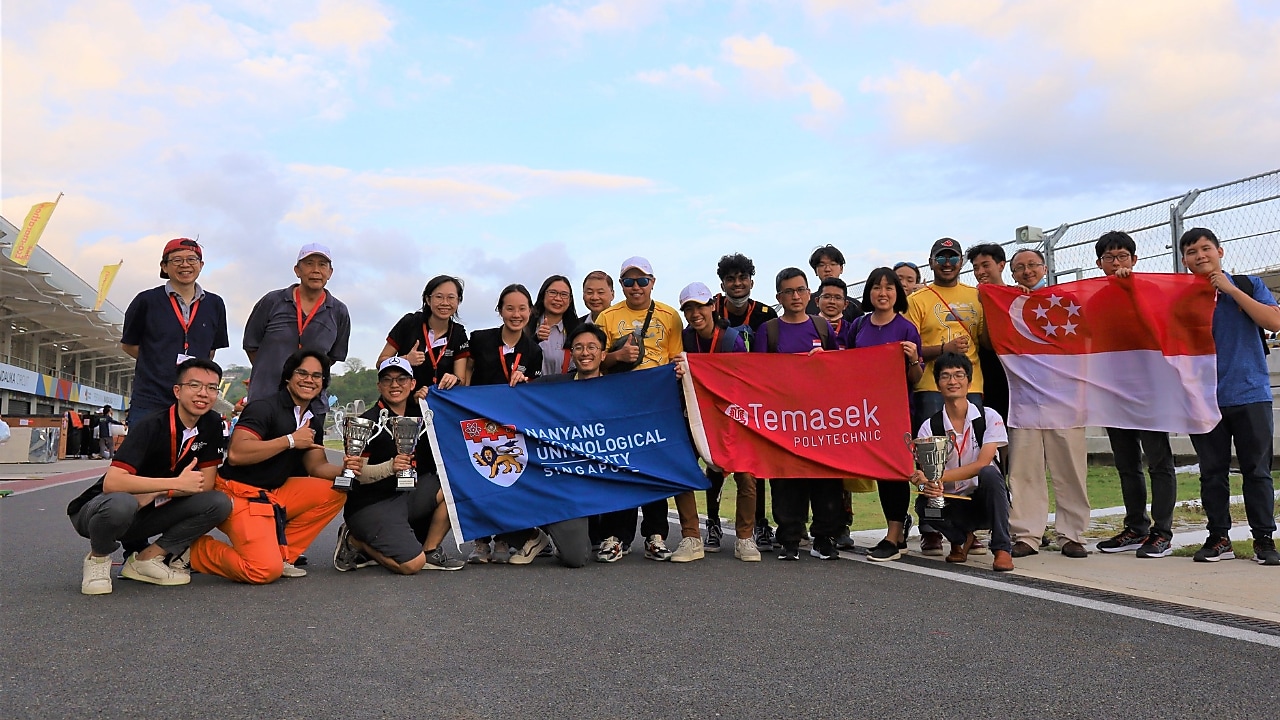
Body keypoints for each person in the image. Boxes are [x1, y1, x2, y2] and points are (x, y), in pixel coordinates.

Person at [68, 358, 232, 595]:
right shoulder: (151, 424)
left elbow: (204, 484)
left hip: (148, 510)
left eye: (211, 388)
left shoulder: (213, 424)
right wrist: (173, 484)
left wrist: (158, 491)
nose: (203, 393)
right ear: (177, 390)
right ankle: (98, 559)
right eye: (194, 385)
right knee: (122, 502)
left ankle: (146, 560)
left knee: (218, 503)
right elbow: (113, 482)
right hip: (98, 511)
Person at [188, 349, 347, 583]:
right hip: (239, 493)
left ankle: (283, 556)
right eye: (302, 373)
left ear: (323, 383)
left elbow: (317, 467)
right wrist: (290, 440)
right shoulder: (263, 407)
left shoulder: (312, 419)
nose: (309, 380)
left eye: (316, 376)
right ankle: (192, 550)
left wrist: (346, 469)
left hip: (272, 493)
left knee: (336, 490)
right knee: (262, 570)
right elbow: (237, 454)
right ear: (287, 377)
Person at [1181, 228, 1280, 565]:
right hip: (1203, 398)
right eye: (1191, 251)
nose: (1199, 256)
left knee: (1257, 470)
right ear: (1184, 260)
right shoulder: (1180, 296)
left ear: (1220, 251)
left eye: (1205, 248)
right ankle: (1218, 537)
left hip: (1250, 393)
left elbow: (1274, 321)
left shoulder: (1249, 284)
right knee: (1212, 472)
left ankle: (1264, 540)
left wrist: (1231, 290)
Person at [1089, 231, 1178, 559]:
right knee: (1126, 462)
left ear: (1134, 260)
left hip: (1150, 388)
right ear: (1100, 264)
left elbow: (1162, 325)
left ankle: (1162, 531)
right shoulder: (1095, 297)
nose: (1117, 262)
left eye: (1123, 256)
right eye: (1110, 258)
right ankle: (1136, 526)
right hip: (1114, 389)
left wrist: (1132, 287)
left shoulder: (1150, 289)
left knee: (1159, 460)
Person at [332, 357, 463, 574]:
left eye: (402, 379)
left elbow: (456, 414)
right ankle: (355, 541)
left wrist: (452, 386)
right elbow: (357, 473)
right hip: (371, 504)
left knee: (456, 485)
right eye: (388, 380)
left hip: (407, 495)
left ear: (412, 384)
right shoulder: (367, 422)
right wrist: (390, 467)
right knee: (411, 565)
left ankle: (430, 550)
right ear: (379, 386)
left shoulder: (421, 413)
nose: (395, 385)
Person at [595, 256, 685, 561]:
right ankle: (616, 535)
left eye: (642, 281)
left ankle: (656, 534)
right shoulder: (606, 317)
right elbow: (596, 361)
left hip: (658, 404)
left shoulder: (670, 315)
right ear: (621, 285)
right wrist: (618, 356)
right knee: (620, 466)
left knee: (655, 467)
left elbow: (675, 358)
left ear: (653, 282)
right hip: (619, 404)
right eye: (629, 282)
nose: (636, 287)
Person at [1004, 248, 1091, 559]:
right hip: (1025, 400)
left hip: (1066, 399)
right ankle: (1027, 534)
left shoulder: (1066, 299)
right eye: (1020, 268)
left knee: (1070, 470)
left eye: (1032, 265)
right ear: (1012, 273)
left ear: (1044, 268)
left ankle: (1072, 534)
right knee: (1024, 471)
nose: (1027, 271)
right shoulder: (1007, 304)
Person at [499, 323, 610, 567]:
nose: (585, 352)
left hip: (598, 480)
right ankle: (532, 536)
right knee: (494, 480)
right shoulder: (553, 385)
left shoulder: (618, 389)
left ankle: (579, 537)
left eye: (592, 347)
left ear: (603, 354)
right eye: (578, 347)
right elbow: (517, 396)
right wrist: (519, 381)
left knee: (575, 558)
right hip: (559, 484)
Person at [754, 267, 842, 561]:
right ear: (779, 296)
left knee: (825, 479)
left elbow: (841, 370)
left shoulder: (821, 326)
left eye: (800, 290)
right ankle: (789, 538)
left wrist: (824, 362)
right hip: (784, 421)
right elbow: (756, 376)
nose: (795, 296)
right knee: (786, 480)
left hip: (820, 420)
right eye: (788, 291)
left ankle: (824, 537)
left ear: (810, 294)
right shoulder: (769, 330)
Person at [904, 237, 986, 556]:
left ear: (961, 262)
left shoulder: (976, 296)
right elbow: (910, 348)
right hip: (930, 389)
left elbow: (986, 340)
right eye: (941, 257)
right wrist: (943, 350)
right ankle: (932, 528)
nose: (947, 263)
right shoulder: (918, 299)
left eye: (953, 257)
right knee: (933, 466)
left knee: (969, 461)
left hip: (972, 388)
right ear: (931, 262)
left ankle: (966, 529)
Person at [457, 284, 543, 564]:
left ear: (530, 311)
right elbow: (467, 371)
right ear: (500, 310)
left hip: (510, 426)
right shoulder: (480, 339)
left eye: (522, 308)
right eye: (510, 308)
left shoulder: (533, 350)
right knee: (479, 476)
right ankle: (481, 541)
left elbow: (532, 388)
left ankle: (504, 537)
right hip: (479, 422)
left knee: (506, 477)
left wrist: (527, 381)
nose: (516, 314)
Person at [677, 282, 759, 562]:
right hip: (695, 417)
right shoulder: (684, 338)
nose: (695, 313)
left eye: (699, 306)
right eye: (689, 308)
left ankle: (745, 538)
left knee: (746, 474)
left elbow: (744, 377)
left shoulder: (731, 339)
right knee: (685, 469)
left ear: (712, 305)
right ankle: (693, 535)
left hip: (728, 417)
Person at [910, 352, 1014, 572]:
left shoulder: (989, 417)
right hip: (951, 502)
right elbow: (923, 477)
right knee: (924, 506)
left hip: (985, 502)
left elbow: (982, 464)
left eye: (959, 375)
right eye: (945, 376)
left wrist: (938, 477)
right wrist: (923, 484)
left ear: (969, 381)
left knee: (989, 473)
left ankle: (1002, 549)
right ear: (938, 384)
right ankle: (960, 539)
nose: (952, 381)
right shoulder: (929, 427)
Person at [850, 268, 924, 562]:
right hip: (866, 412)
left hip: (897, 412)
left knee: (896, 470)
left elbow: (916, 377)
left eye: (889, 288)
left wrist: (913, 358)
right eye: (877, 288)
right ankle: (898, 528)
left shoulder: (906, 328)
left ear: (898, 293)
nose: (883, 293)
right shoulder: (857, 326)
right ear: (869, 293)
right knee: (882, 472)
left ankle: (893, 536)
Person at [120, 238, 230, 425]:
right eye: (177, 260)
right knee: (143, 452)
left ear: (201, 265)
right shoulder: (146, 301)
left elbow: (210, 350)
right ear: (164, 267)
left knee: (191, 452)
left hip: (194, 399)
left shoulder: (215, 304)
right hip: (150, 397)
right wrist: (158, 362)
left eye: (192, 259)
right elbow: (129, 345)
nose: (185, 265)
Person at [711, 252, 779, 550]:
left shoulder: (766, 314)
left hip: (754, 401)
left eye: (742, 278)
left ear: (751, 280)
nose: (737, 284)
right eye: (730, 279)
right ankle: (712, 524)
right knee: (715, 463)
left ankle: (760, 524)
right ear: (723, 282)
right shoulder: (710, 311)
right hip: (718, 398)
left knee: (755, 465)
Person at [242, 243, 351, 406]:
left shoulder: (339, 311)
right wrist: (274, 372)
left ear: (330, 272)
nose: (316, 270)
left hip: (311, 405)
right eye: (309, 264)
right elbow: (251, 345)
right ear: (297, 270)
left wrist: (305, 377)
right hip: (266, 399)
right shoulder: (272, 301)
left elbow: (332, 358)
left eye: (322, 265)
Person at [378, 275, 469, 401]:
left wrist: (455, 379)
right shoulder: (410, 322)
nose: (445, 303)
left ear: (458, 301)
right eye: (439, 297)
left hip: (436, 405)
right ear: (427, 299)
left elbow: (462, 379)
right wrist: (405, 359)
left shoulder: (459, 333)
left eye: (451, 298)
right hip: (402, 404)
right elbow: (380, 362)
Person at [966, 243, 1011, 428]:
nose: (980, 271)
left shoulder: (1016, 295)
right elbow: (985, 343)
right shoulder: (972, 298)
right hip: (986, 370)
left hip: (1013, 370)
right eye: (976, 267)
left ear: (1001, 265)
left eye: (986, 265)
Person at [529, 275, 581, 378]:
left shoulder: (577, 330)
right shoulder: (525, 324)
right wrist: (534, 340)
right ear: (543, 294)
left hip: (563, 389)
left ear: (570, 300)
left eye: (564, 294)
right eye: (552, 293)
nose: (558, 298)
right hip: (528, 389)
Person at [806, 245, 864, 319]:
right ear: (815, 271)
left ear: (841, 268)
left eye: (832, 264)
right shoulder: (806, 303)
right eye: (822, 265)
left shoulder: (855, 306)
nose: (827, 269)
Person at [815, 277, 855, 349]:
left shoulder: (852, 330)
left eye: (838, 298)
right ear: (817, 301)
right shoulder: (808, 326)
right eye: (826, 297)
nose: (832, 302)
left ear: (845, 304)